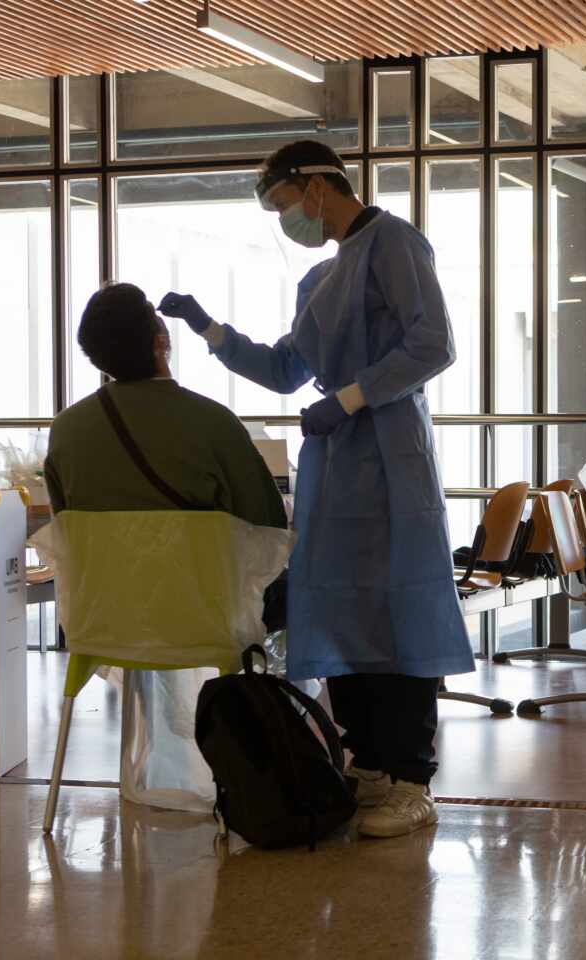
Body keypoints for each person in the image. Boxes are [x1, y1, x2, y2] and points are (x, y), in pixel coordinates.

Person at [158, 139, 472, 839]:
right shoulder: (319, 282)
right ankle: (366, 761)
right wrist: (208, 328)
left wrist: (355, 398)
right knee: (339, 610)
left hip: (390, 453)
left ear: (319, 185)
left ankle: (413, 778)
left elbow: (435, 345)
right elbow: (283, 369)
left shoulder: (395, 243)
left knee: (400, 612)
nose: (287, 218)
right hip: (336, 463)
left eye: (285, 202)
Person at [44, 282, 286, 533]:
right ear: (159, 344)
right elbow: (268, 527)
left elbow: (65, 527)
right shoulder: (213, 423)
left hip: (98, 573)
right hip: (199, 572)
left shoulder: (66, 429)